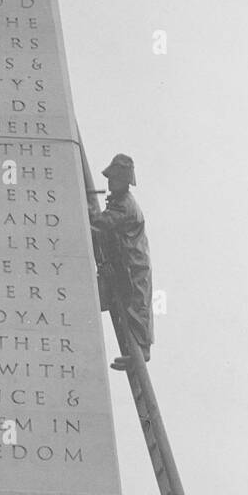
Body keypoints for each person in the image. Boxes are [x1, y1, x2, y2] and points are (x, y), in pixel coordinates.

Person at [90, 153, 153, 370]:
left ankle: (139, 354)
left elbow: (101, 226)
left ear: (124, 181)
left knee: (135, 305)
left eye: (114, 179)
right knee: (121, 303)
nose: (109, 182)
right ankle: (135, 354)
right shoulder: (118, 201)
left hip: (132, 264)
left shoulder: (124, 205)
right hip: (123, 264)